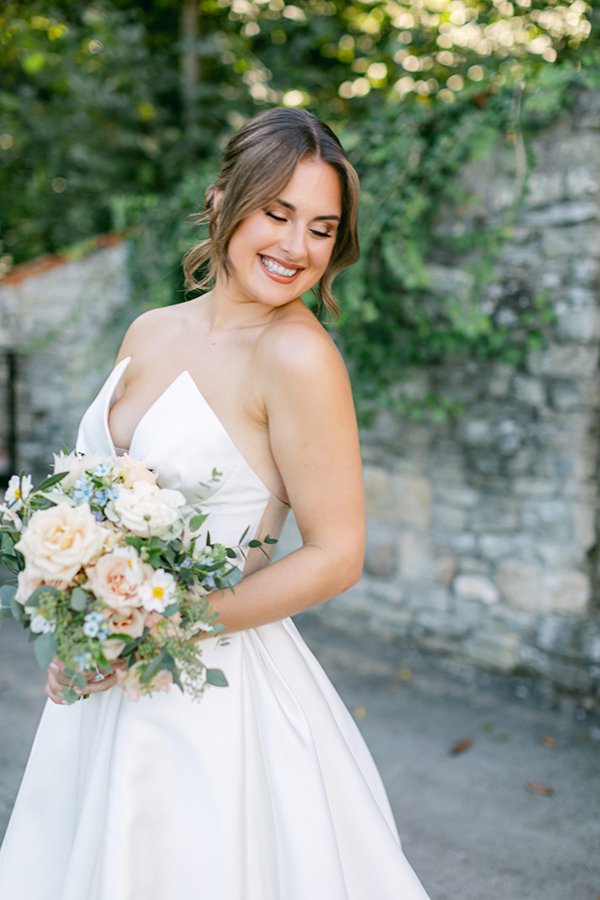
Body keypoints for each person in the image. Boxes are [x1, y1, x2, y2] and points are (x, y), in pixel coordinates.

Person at [0, 108, 431, 899]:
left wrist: (156, 626)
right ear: (224, 199)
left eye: (323, 229)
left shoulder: (299, 357)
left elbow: (336, 556)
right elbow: (101, 500)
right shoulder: (149, 329)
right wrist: (83, 625)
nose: (297, 247)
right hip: (105, 682)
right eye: (278, 213)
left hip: (207, 694)